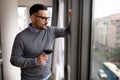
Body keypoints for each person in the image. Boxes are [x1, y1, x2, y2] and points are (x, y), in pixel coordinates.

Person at [10, 4, 71, 80]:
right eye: (43, 18)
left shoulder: (51, 31)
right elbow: (14, 60)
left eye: (47, 18)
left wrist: (72, 18)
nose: (46, 22)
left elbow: (68, 32)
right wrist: (35, 61)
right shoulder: (21, 37)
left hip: (49, 77)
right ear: (33, 18)